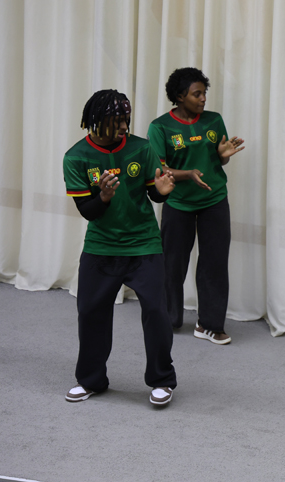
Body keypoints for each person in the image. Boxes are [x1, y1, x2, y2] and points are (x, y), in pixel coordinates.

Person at [63, 89, 178, 406]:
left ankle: (162, 380)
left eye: (126, 120)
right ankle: (91, 380)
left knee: (156, 311)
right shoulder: (76, 157)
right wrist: (102, 197)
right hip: (101, 247)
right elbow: (87, 212)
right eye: (117, 121)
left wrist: (163, 191)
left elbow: (154, 194)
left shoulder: (142, 148)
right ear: (97, 122)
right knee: (90, 313)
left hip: (143, 244)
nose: (124, 127)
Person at [147, 67, 245, 345]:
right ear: (180, 96)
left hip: (214, 201)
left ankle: (209, 325)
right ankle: (168, 318)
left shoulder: (214, 120)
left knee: (215, 263)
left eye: (204, 93)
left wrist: (223, 156)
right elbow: (159, 169)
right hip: (179, 203)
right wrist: (187, 174)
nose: (203, 98)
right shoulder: (160, 127)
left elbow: (220, 157)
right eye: (197, 94)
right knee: (172, 264)